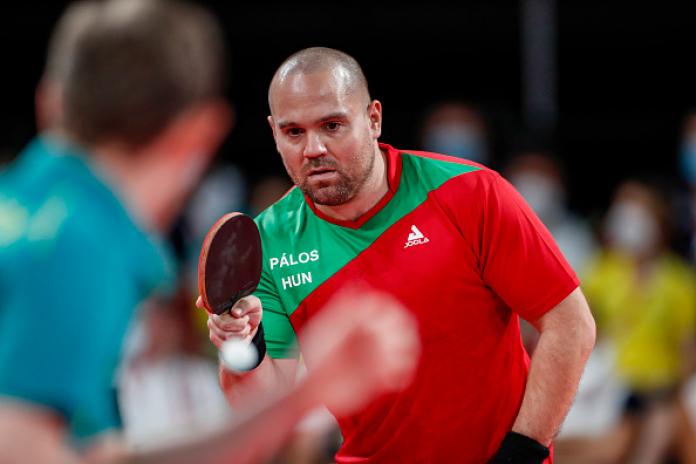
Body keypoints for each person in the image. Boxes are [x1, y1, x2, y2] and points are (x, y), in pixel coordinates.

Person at [0, 3, 420, 463]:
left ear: (51, 102)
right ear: (201, 132)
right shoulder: (78, 246)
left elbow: (91, 456)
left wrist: (300, 398)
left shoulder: (22, 204)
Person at [205, 46, 597, 463]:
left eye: (332, 125)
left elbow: (570, 326)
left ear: (373, 118)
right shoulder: (269, 242)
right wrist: (240, 345)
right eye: (293, 132)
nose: (313, 148)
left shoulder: (470, 194)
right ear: (274, 134)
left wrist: (521, 453)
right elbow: (267, 409)